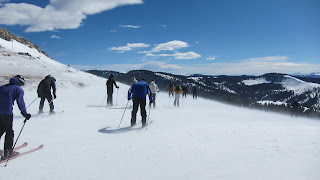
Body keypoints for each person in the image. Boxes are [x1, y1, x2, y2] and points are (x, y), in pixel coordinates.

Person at [0, 75, 31, 160]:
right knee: (9, 132)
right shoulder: (18, 89)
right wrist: (25, 114)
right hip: (7, 113)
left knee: (1, 130)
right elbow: (20, 102)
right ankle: (8, 152)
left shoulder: (2, 87)